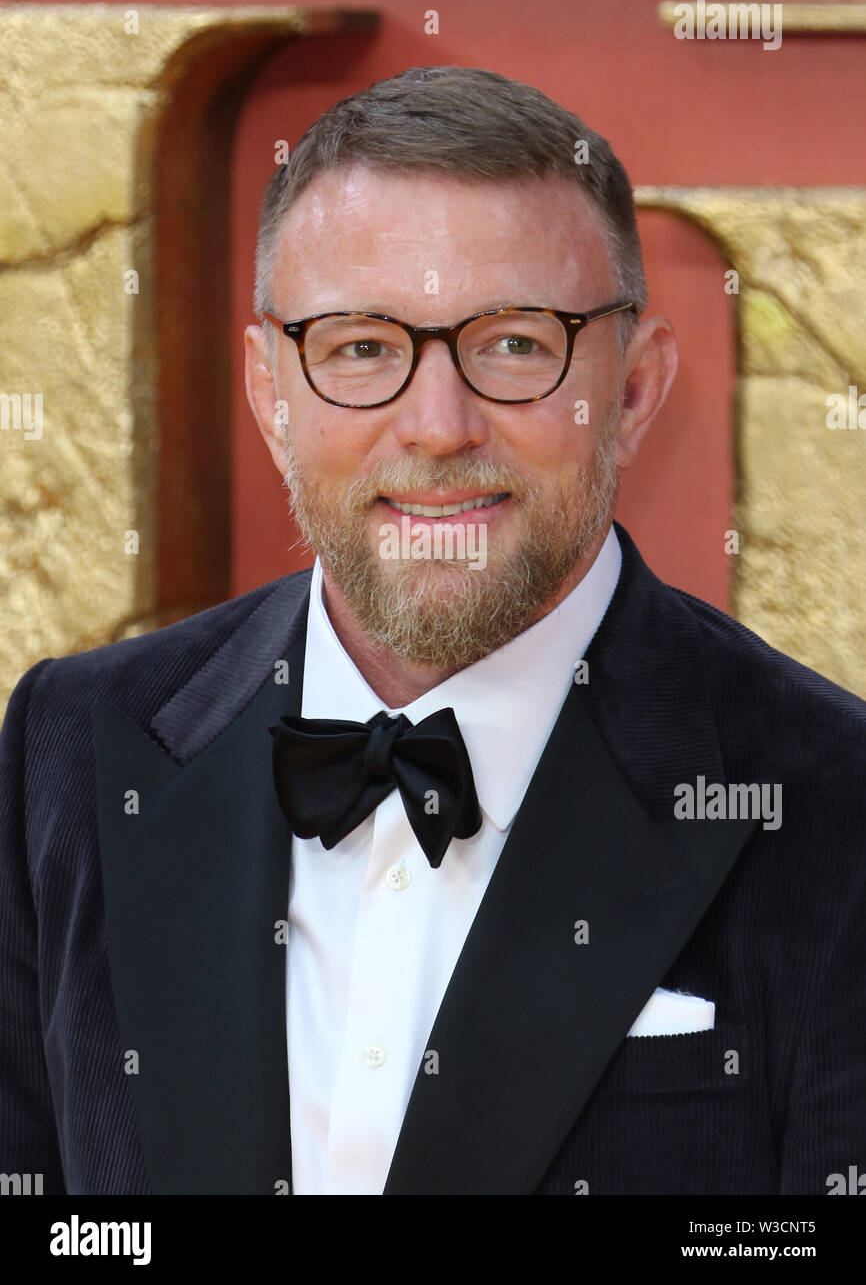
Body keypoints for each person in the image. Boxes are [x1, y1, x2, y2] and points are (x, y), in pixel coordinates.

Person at [1, 66, 864, 1197]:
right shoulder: (71, 745)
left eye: (513, 344)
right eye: (361, 347)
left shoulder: (832, 804)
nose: (437, 426)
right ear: (270, 390)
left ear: (637, 385)